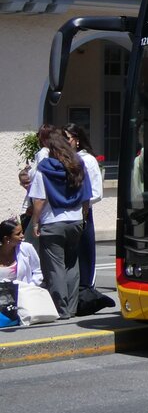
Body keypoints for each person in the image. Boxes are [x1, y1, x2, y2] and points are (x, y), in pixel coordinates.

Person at [27, 125, 91, 319]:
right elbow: (86, 197)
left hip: (52, 221)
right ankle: (71, 308)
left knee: (55, 267)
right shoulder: (78, 166)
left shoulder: (43, 169)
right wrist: (84, 217)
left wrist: (36, 222)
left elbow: (39, 199)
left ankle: (60, 309)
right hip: (75, 220)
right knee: (72, 264)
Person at [64, 123, 103, 294]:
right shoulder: (62, 160)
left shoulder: (87, 160)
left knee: (85, 255)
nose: (64, 142)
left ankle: (86, 289)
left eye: (68, 138)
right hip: (65, 215)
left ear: (77, 140)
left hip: (83, 213)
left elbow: (96, 192)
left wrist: (78, 203)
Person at [0, 217, 43, 287]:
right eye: (18, 234)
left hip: (24, 294)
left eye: (22, 232)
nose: (22, 236)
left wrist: (30, 286)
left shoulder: (26, 248)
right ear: (6, 238)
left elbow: (38, 271)